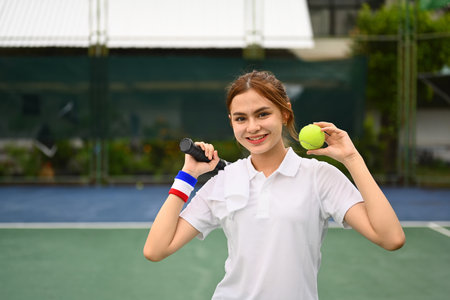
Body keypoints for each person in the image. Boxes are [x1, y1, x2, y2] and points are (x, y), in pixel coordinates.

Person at [143, 70, 405, 300]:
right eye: (240, 118)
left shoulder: (319, 176)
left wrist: (352, 158)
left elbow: (391, 238)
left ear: (285, 112)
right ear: (231, 122)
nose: (253, 127)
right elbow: (156, 249)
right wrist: (188, 175)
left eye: (262, 114)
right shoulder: (223, 182)